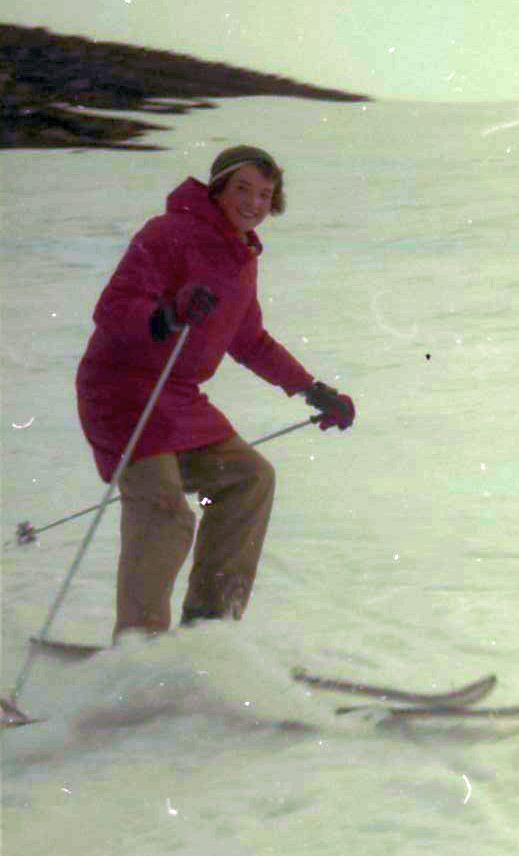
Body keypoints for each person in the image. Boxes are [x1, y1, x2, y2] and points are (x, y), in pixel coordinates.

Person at [75, 145, 355, 642]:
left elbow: (250, 341)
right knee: (165, 515)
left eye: (265, 194)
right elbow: (116, 306)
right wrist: (165, 315)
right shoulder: (169, 233)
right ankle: (137, 649)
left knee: (250, 478)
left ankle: (208, 632)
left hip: (177, 397)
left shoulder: (241, 256)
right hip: (122, 390)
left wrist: (312, 390)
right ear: (218, 187)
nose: (253, 202)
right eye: (243, 188)